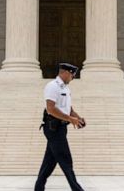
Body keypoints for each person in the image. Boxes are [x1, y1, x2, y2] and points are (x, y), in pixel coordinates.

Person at [34, 63, 85, 191]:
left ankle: (38, 188)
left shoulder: (66, 88)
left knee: (49, 163)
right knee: (65, 159)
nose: (73, 77)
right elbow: (50, 109)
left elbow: (67, 107)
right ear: (65, 72)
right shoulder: (52, 86)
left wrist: (77, 117)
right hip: (53, 128)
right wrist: (70, 119)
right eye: (72, 74)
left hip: (61, 128)